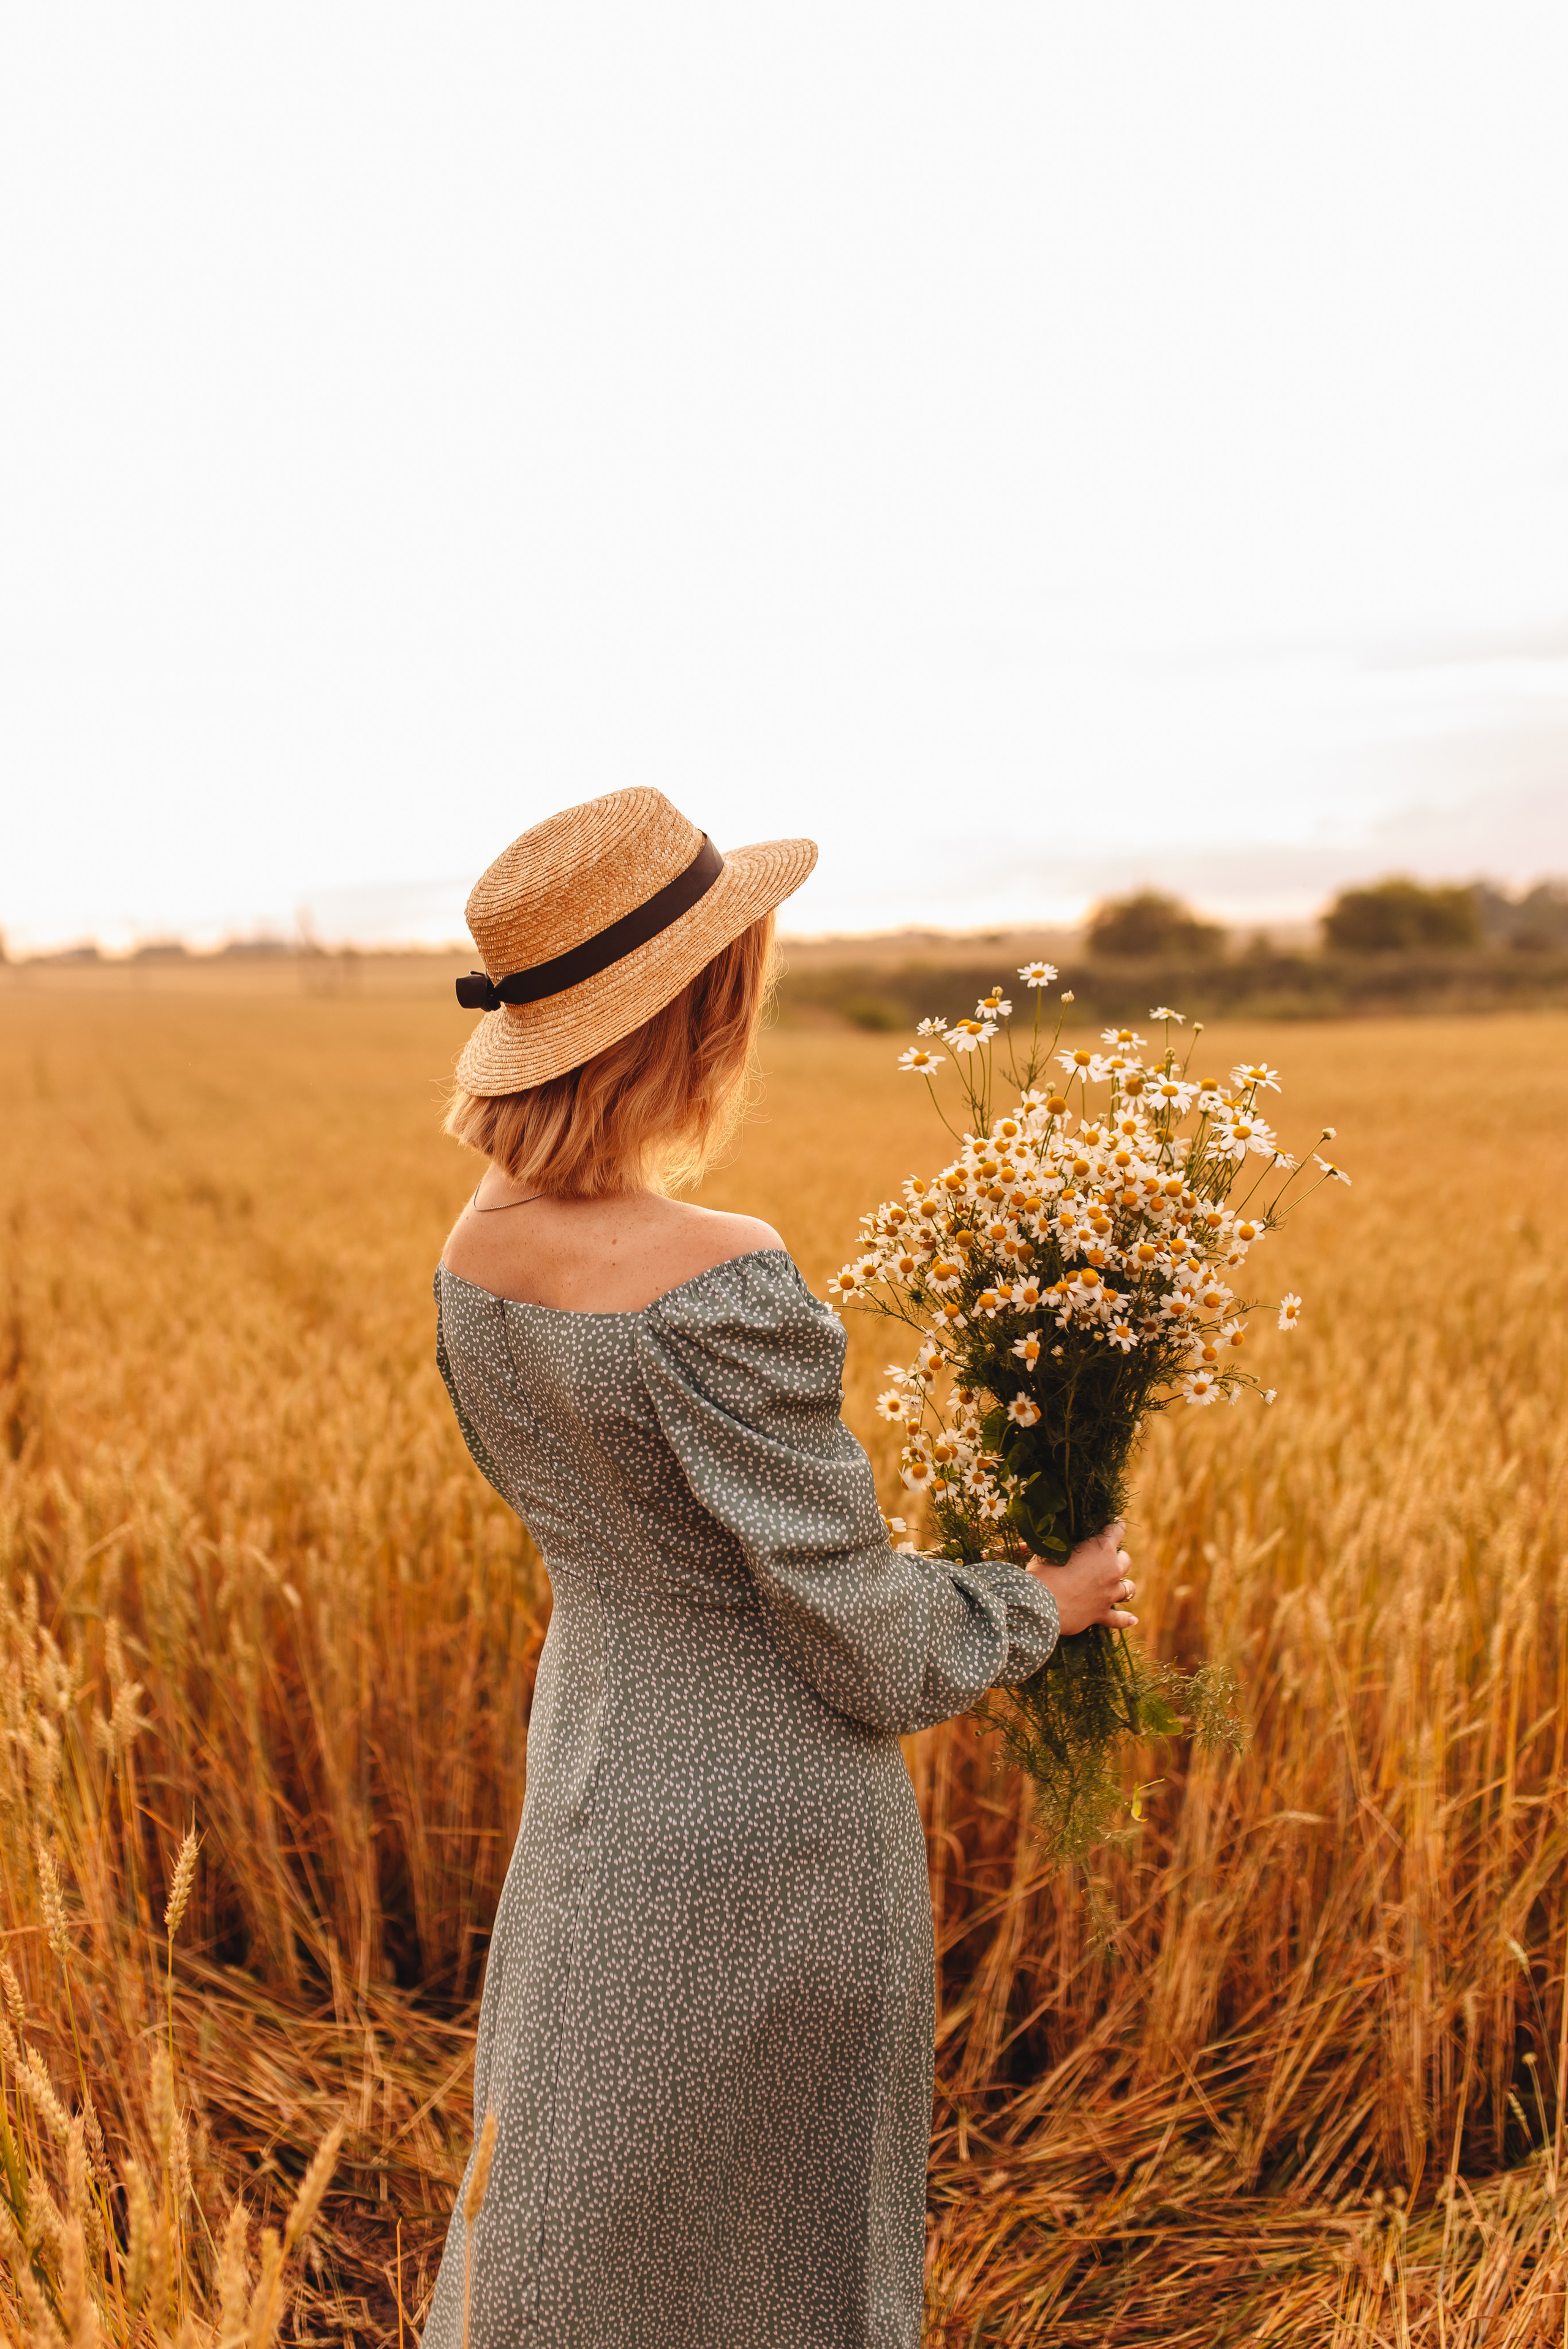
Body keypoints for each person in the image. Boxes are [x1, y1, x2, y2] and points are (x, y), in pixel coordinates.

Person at [421, 787, 1137, 2349]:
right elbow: (859, 1638)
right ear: (699, 1014)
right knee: (783, 2256)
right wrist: (1041, 1602)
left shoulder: (471, 1259)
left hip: (593, 1778)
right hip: (768, 1828)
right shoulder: (718, 1273)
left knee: (567, 2215)